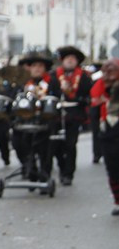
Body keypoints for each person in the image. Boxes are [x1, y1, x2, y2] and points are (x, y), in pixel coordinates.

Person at [12, 52, 58, 182]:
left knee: (44, 149)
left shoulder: (51, 81)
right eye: (34, 66)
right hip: (25, 119)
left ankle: (44, 176)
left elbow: (57, 99)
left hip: (44, 120)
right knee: (18, 142)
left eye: (40, 66)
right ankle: (29, 169)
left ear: (44, 68)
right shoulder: (24, 83)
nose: (37, 68)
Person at [52, 46, 92, 185]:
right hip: (56, 115)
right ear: (62, 60)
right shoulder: (54, 75)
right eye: (67, 58)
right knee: (56, 145)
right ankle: (62, 168)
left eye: (73, 58)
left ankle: (69, 173)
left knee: (70, 145)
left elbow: (89, 94)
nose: (70, 60)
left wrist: (83, 100)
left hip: (74, 115)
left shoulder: (84, 77)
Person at [98, 62, 119, 215]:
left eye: (111, 71)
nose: (107, 74)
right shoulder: (103, 86)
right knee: (112, 165)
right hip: (109, 126)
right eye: (106, 71)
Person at [88, 60, 116, 166]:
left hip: (113, 112)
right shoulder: (99, 80)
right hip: (99, 111)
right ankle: (98, 153)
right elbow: (95, 95)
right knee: (98, 133)